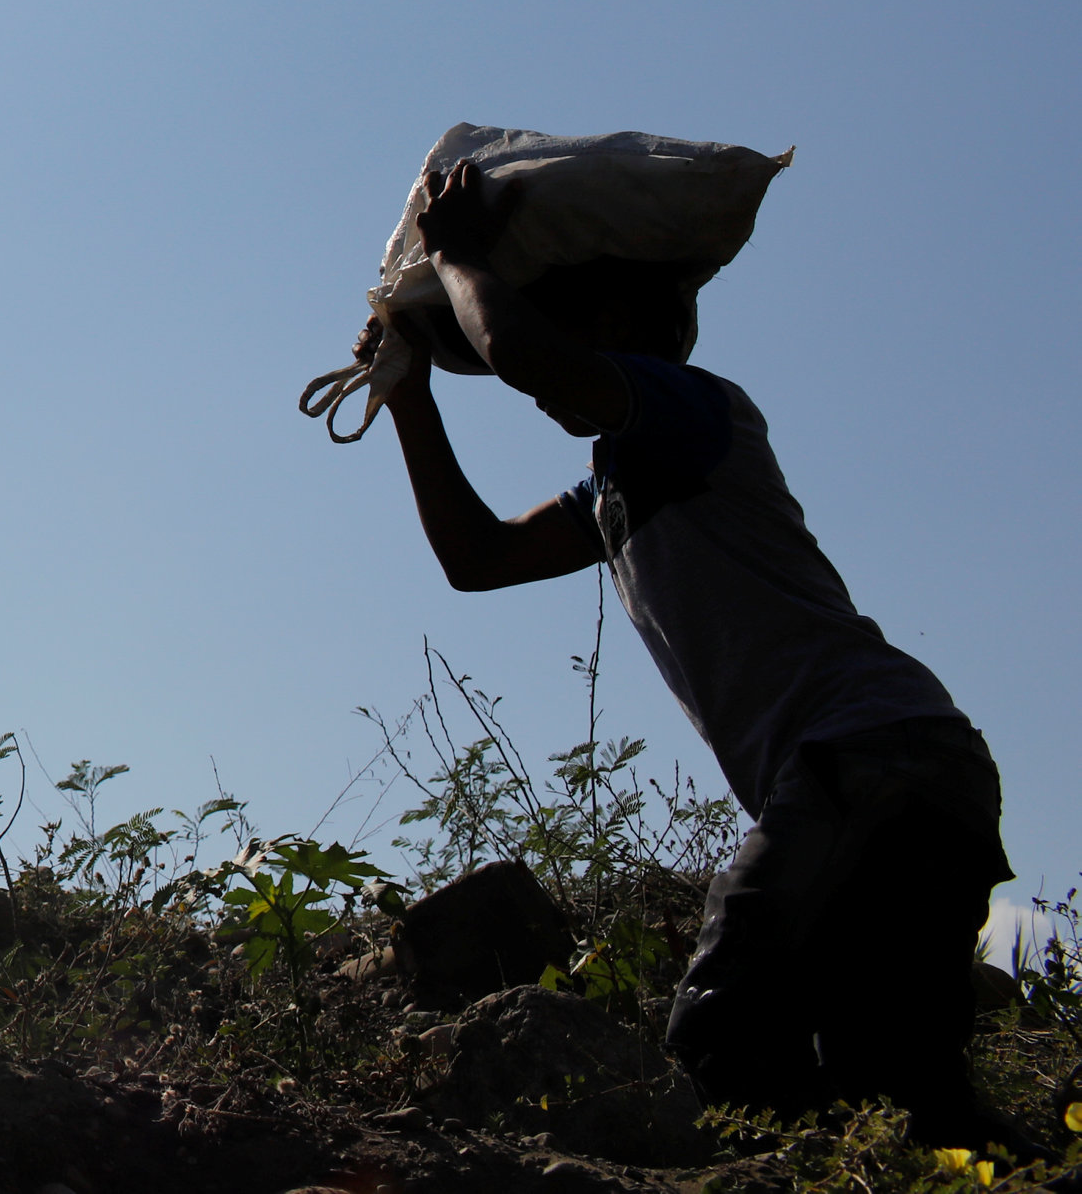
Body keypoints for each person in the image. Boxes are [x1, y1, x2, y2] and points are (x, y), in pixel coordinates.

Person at [373, 156, 1027, 1156]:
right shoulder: (616, 490)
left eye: (572, 324)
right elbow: (478, 559)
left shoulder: (688, 407)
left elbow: (520, 355)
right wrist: (406, 393)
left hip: (864, 761)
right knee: (898, 1092)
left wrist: (458, 253)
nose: (550, 367)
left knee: (722, 1029)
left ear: (625, 334)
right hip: (905, 768)